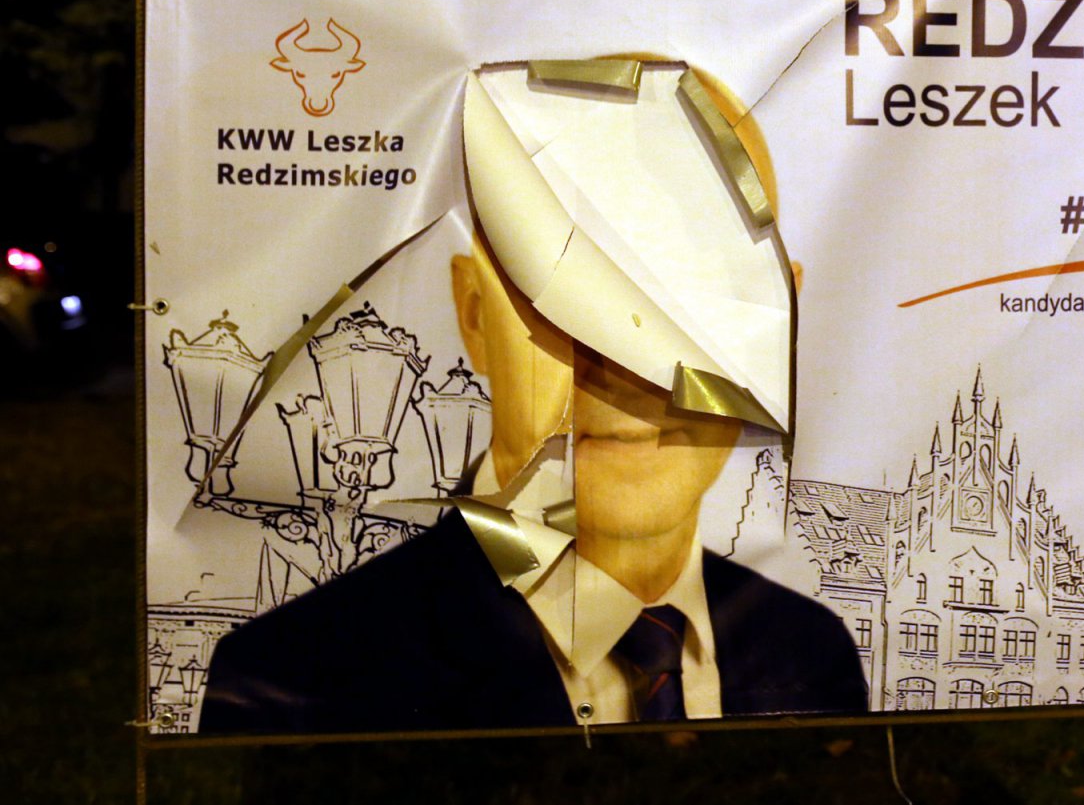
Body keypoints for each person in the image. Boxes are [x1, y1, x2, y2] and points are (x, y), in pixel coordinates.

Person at [199, 63, 865, 734]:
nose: (632, 362)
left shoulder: (813, 656)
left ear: (778, 322)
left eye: (691, 294)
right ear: (475, 312)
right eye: (559, 290)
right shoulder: (297, 687)